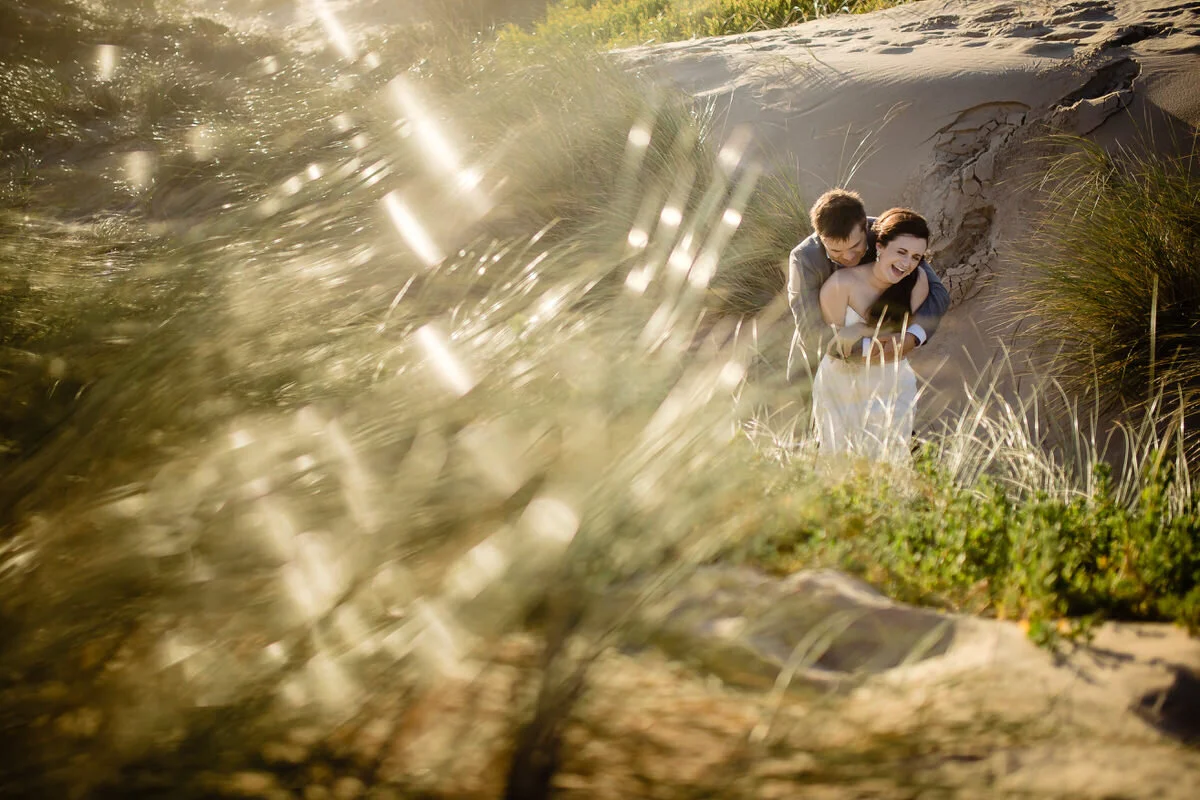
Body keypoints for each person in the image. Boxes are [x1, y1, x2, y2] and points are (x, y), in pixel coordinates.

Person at [808, 207, 935, 460]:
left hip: (893, 384)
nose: (906, 263)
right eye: (901, 252)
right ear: (879, 246)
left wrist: (862, 329)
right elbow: (838, 351)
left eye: (915, 257)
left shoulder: (917, 282)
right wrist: (878, 341)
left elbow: (900, 343)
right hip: (843, 386)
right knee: (841, 465)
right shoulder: (840, 285)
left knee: (893, 465)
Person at [786, 189, 950, 380]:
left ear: (866, 227)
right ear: (821, 238)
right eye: (835, 251)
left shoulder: (886, 234)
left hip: (880, 375)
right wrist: (873, 348)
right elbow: (811, 333)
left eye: (856, 246)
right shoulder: (804, 258)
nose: (848, 257)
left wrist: (912, 337)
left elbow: (939, 294)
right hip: (817, 368)